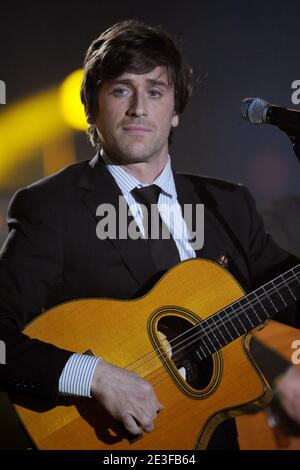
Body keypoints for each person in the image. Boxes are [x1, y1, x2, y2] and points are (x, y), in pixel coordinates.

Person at [0, 19, 299, 450]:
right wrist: (95, 377)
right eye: (121, 90)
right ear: (92, 106)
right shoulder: (51, 207)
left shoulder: (229, 204)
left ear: (175, 110)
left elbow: (289, 293)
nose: (139, 108)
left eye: (155, 92)